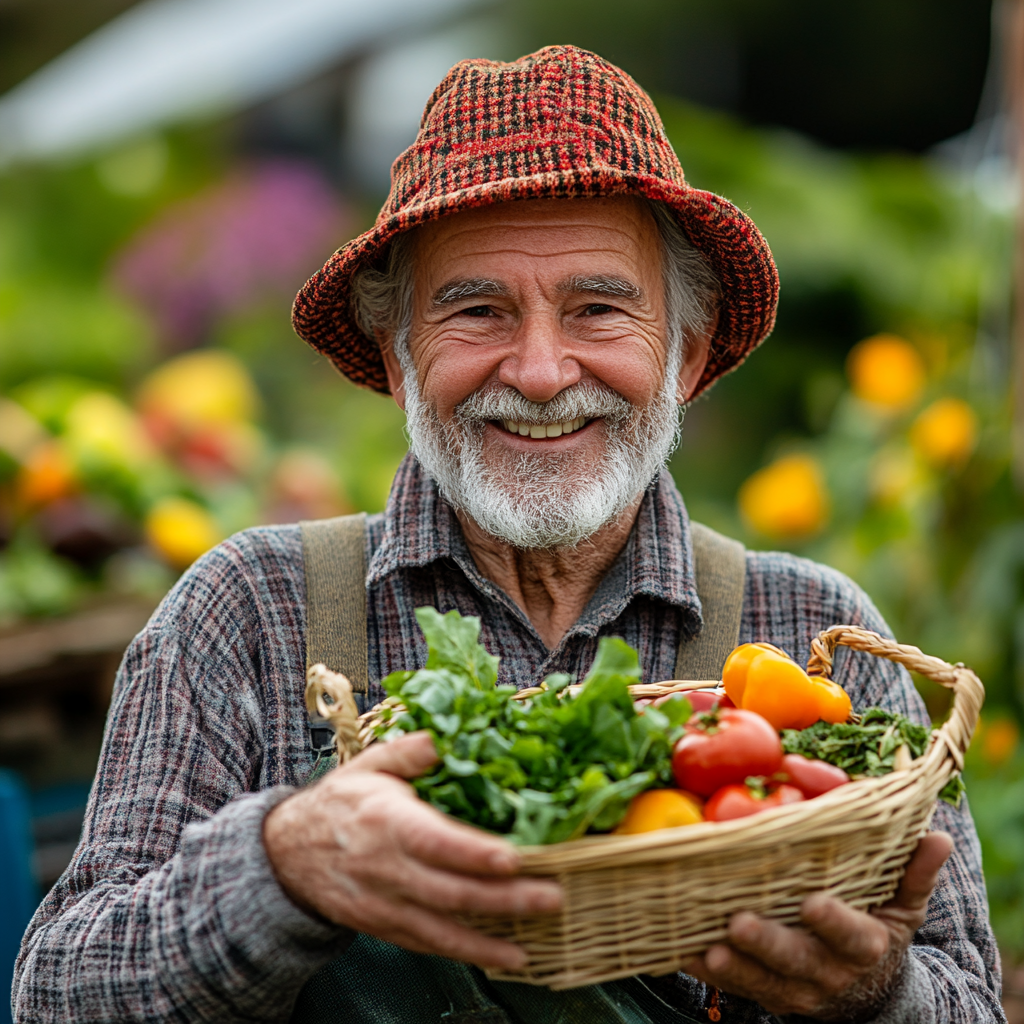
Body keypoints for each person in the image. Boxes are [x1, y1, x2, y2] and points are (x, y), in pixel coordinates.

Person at [13, 46, 1003, 1024]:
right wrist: (283, 866)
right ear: (399, 362)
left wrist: (875, 995)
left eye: (597, 308)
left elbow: (965, 1003)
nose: (537, 371)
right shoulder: (253, 614)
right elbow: (56, 993)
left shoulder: (814, 630)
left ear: (684, 356)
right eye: (476, 310)